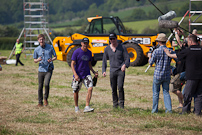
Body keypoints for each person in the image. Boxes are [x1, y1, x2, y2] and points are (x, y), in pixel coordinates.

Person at [164, 34, 202, 116]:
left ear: (191, 41)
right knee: (199, 95)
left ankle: (185, 111)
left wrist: (168, 54)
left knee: (187, 94)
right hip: (201, 76)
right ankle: (197, 112)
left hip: (192, 76)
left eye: (188, 41)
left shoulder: (188, 50)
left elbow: (177, 56)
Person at [149, 33, 176, 113]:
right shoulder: (170, 51)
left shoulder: (156, 51)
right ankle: (169, 110)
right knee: (166, 92)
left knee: (156, 93)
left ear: (159, 42)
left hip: (158, 74)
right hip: (167, 74)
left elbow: (150, 63)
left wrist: (149, 56)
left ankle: (154, 110)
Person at [102, 33, 130, 109]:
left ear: (116, 39)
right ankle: (115, 104)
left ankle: (121, 105)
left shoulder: (122, 47)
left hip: (120, 70)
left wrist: (125, 65)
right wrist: (104, 70)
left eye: (113, 39)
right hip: (112, 71)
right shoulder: (107, 49)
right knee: (113, 88)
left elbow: (127, 58)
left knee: (120, 87)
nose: (112, 40)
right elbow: (104, 60)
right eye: (111, 39)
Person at [71, 37, 98, 113]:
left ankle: (87, 106)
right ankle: (76, 107)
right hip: (78, 75)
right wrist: (75, 75)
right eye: (84, 43)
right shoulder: (76, 52)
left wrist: (93, 72)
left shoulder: (89, 52)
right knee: (76, 91)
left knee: (90, 88)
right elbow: (72, 64)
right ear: (81, 43)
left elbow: (89, 64)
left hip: (86, 74)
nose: (85, 44)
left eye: (87, 43)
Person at [33, 34, 57, 107]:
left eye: (43, 39)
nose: (41, 41)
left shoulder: (50, 47)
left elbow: (55, 56)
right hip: (41, 69)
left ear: (44, 39)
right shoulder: (36, 49)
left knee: (46, 84)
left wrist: (51, 59)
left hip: (48, 69)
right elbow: (34, 60)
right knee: (40, 86)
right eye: (40, 39)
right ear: (38, 40)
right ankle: (40, 102)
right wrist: (37, 60)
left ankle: (45, 98)